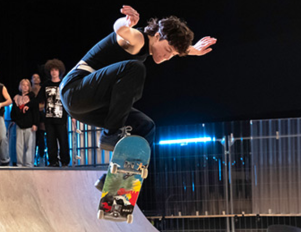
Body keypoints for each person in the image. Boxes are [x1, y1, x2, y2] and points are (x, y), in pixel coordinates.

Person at [60, 5, 216, 188]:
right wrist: (126, 22)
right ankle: (111, 134)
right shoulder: (137, 40)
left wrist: (192, 50)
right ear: (157, 36)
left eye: (173, 55)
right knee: (135, 69)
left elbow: (174, 48)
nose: (167, 57)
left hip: (90, 107)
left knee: (145, 126)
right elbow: (120, 29)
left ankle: (116, 183)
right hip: (75, 91)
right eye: (167, 50)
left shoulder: (156, 44)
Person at [36, 59, 70, 167]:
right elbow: (39, 99)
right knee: (50, 141)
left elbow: (69, 99)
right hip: (49, 117)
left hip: (61, 117)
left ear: (59, 71)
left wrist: (72, 115)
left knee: (63, 140)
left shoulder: (64, 83)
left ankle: (65, 161)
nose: (54, 72)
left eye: (56, 70)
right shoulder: (46, 85)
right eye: (51, 70)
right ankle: (53, 161)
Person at [11, 79, 39, 167]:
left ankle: (29, 164)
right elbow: (13, 112)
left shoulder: (32, 98)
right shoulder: (16, 98)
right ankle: (20, 163)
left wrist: (35, 124)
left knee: (30, 145)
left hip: (30, 125)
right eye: (23, 85)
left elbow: (36, 112)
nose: (25, 87)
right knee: (19, 146)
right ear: (20, 86)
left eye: (27, 85)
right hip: (19, 125)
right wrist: (14, 120)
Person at [31, 73, 46, 166]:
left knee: (41, 137)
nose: (36, 79)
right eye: (34, 77)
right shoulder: (29, 90)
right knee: (32, 139)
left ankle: (41, 158)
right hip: (32, 115)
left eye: (38, 77)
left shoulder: (43, 89)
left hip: (42, 115)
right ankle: (31, 159)